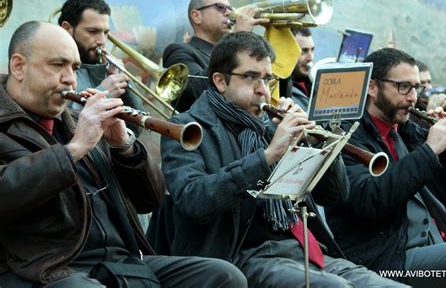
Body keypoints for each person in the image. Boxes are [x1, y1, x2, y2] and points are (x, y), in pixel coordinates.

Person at [0, 21, 247, 287]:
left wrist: (125, 148)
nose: (70, 79)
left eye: (74, 68)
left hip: (119, 262)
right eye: (57, 65)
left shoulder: (77, 120)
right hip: (46, 268)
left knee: (225, 277)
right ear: (19, 66)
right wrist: (74, 149)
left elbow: (149, 202)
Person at [157, 31, 407, 287]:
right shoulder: (186, 127)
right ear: (221, 81)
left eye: (267, 79)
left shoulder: (270, 126)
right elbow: (193, 199)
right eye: (251, 77)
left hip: (305, 250)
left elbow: (335, 195)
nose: (263, 90)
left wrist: (317, 143)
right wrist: (268, 156)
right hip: (240, 257)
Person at [325, 47, 446, 287]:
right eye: (403, 87)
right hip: (389, 265)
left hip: (436, 247)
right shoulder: (346, 137)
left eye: (416, 88)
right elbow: (371, 199)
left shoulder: (407, 132)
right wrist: (429, 150)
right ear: (372, 87)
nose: (413, 98)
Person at [163, 0, 269, 112]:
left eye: (231, 8)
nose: (229, 13)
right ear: (197, 16)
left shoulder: (239, 52)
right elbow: (194, 91)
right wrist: (238, 38)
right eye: (220, 7)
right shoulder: (179, 51)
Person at [58, 0, 144, 136]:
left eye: (105, 33)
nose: (102, 41)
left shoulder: (105, 69)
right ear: (67, 28)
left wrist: (124, 82)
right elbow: (61, 127)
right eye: (93, 31)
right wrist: (105, 91)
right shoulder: (53, 67)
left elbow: (136, 130)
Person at [280, 27, 315, 111]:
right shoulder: (280, 90)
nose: (311, 58)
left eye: (312, 50)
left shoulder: (313, 84)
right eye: (304, 51)